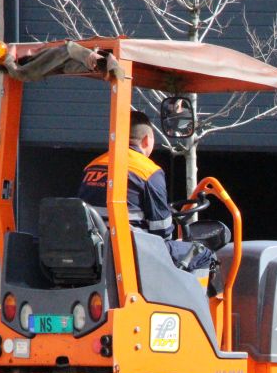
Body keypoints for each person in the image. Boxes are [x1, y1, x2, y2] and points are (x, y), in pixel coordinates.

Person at [77, 110, 212, 272]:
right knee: (203, 255)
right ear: (147, 140)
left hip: (95, 251)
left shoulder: (92, 166)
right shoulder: (148, 172)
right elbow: (160, 229)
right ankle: (197, 298)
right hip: (134, 252)